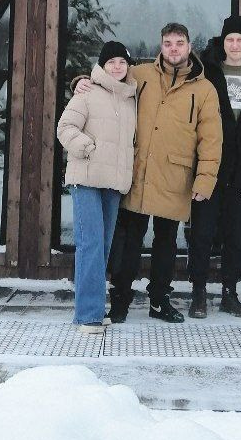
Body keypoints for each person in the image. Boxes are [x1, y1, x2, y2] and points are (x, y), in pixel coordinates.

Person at [76, 22, 222, 324]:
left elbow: (211, 138)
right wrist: (81, 81)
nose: (173, 49)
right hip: (138, 171)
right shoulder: (140, 75)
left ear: (189, 47)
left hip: (175, 175)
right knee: (129, 240)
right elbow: (108, 79)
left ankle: (159, 300)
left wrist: (205, 179)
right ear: (161, 46)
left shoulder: (204, 89)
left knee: (166, 242)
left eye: (179, 43)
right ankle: (120, 299)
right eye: (168, 43)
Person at [186, 14, 241, 318]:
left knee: (235, 235)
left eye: (240, 40)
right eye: (230, 39)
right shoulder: (206, 69)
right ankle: (198, 292)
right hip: (210, 165)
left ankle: (229, 293)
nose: (235, 45)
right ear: (223, 42)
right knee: (203, 233)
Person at [56, 41, 137, 331]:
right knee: (90, 243)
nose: (117, 67)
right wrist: (88, 147)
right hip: (87, 179)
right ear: (102, 65)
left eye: (122, 62)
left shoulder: (131, 98)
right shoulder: (87, 92)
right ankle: (88, 315)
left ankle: (93, 309)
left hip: (113, 183)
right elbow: (65, 128)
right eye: (111, 62)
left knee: (102, 246)